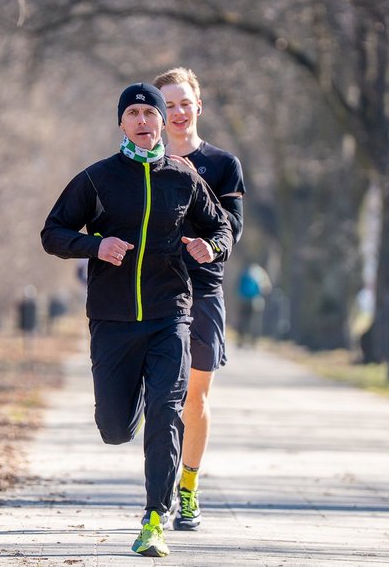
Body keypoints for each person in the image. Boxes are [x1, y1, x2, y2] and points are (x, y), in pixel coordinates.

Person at [40, 83, 233, 558]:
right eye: (135, 113)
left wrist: (212, 248)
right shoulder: (97, 179)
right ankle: (131, 402)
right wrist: (95, 246)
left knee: (167, 413)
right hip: (112, 318)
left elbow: (220, 225)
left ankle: (154, 518)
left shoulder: (184, 179)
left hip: (171, 315)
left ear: (163, 121)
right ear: (121, 123)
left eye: (152, 111)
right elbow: (52, 232)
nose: (144, 120)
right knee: (115, 428)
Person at [153, 67, 246, 531]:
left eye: (184, 102)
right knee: (161, 396)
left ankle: (187, 488)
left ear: (198, 106)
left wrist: (212, 246)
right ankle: (159, 486)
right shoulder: (143, 163)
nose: (177, 112)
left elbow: (233, 225)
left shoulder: (224, 164)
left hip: (204, 286)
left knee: (196, 394)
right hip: (155, 287)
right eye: (168, 104)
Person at [238, 262, 272, 346]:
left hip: (244, 300)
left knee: (243, 320)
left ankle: (241, 340)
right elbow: (267, 288)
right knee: (254, 322)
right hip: (256, 302)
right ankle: (253, 341)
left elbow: (238, 286)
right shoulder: (261, 274)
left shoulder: (246, 273)